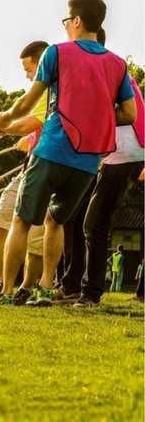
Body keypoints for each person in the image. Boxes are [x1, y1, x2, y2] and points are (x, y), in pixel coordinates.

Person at [0, 0, 137, 306]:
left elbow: (28, 103)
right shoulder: (116, 64)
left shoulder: (57, 52)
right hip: (87, 163)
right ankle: (44, 287)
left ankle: (5, 293)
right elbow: (129, 114)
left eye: (66, 21)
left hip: (52, 151)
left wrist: (3, 119)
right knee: (55, 223)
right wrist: (95, 114)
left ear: (77, 21)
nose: (66, 26)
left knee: (21, 221)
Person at [0, 40, 49, 305]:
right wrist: (22, 137)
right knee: (1, 219)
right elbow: (38, 127)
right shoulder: (41, 92)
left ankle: (24, 288)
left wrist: (4, 128)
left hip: (45, 167)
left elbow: (34, 121)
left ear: (41, 63)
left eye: (29, 69)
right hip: (31, 164)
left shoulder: (47, 88)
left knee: (36, 237)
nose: (28, 76)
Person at [74, 72, 145, 306]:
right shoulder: (119, 78)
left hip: (124, 158)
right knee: (93, 225)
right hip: (122, 158)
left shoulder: (108, 76)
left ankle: (90, 293)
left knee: (93, 225)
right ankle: (89, 292)